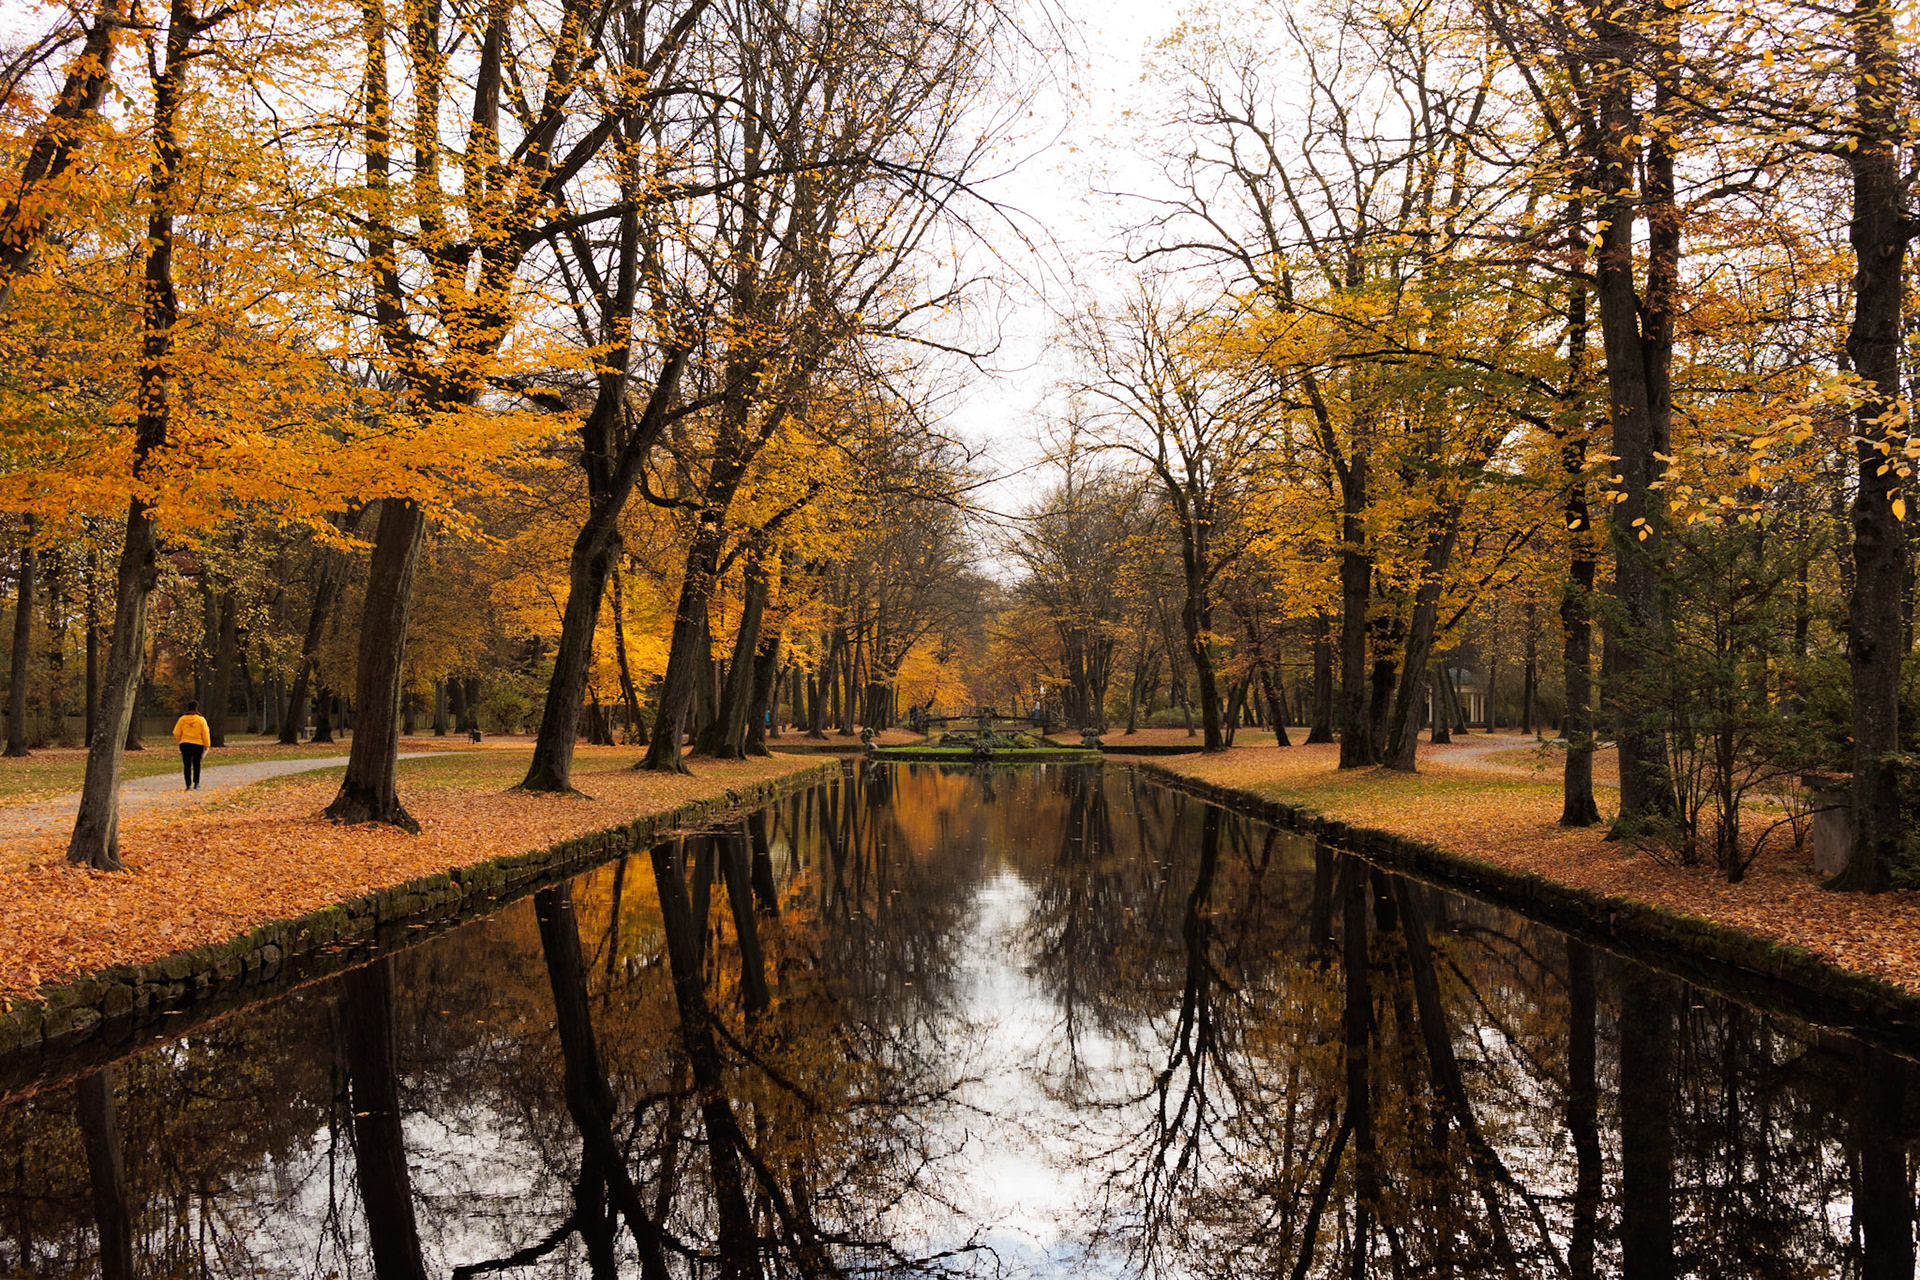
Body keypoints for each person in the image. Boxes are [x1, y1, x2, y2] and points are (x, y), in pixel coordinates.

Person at [172, 700, 211, 790]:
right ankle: (196, 783)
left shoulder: (182, 719)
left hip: (185, 744)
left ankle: (188, 784)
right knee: (197, 764)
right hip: (198, 744)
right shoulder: (201, 720)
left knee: (187, 764)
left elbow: (176, 732)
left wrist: (181, 740)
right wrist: (207, 744)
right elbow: (205, 733)